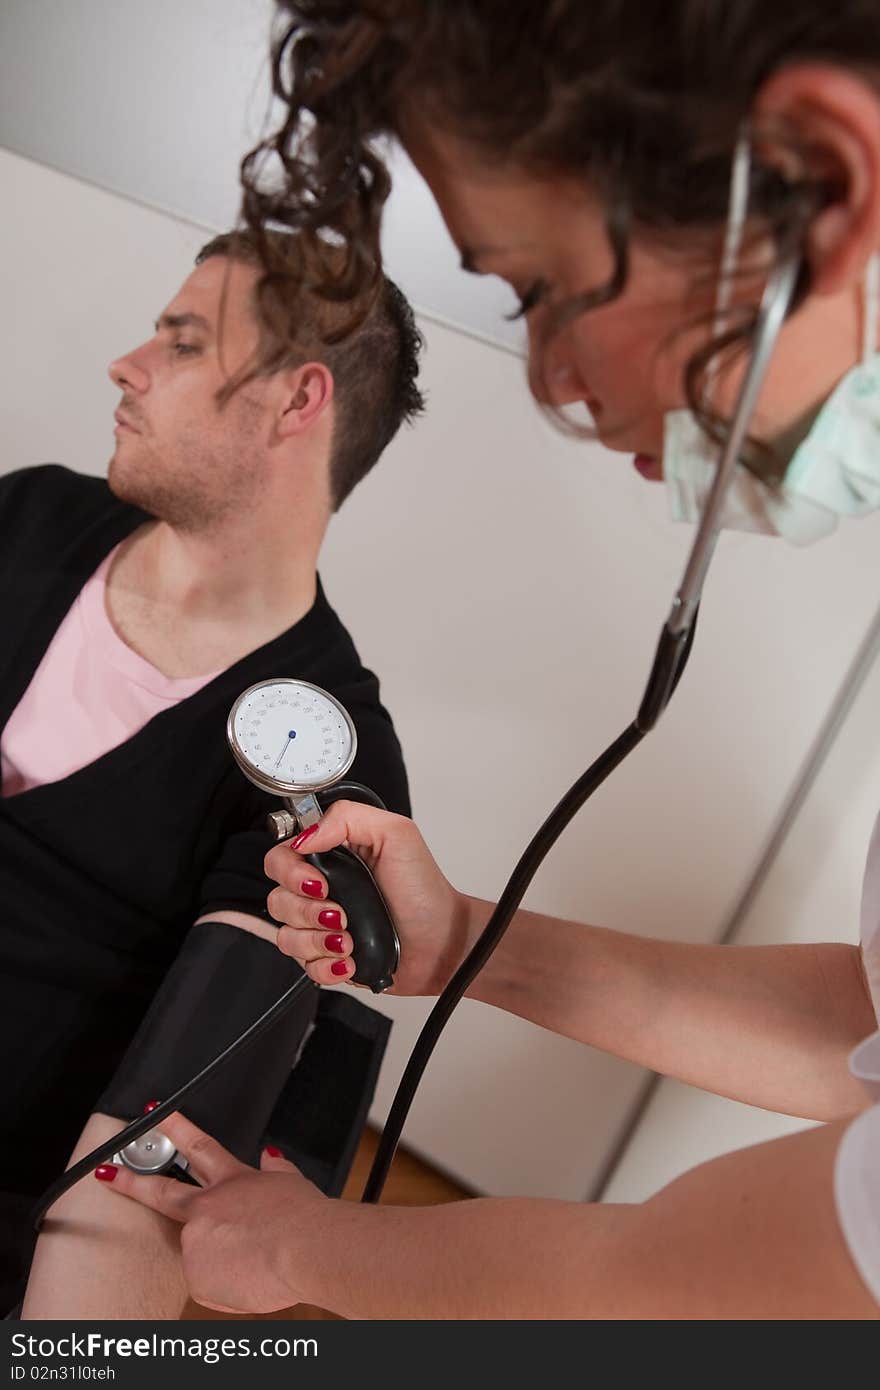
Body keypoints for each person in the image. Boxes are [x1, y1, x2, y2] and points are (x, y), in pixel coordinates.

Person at [99, 0, 880, 1318]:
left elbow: (744, 1282)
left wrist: (297, 1249)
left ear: (819, 178)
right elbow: (866, 1039)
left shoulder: (337, 699)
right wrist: (470, 945)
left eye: (537, 287)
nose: (554, 385)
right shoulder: (41, 524)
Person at [3, 226, 424, 1318]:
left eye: (182, 343)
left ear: (296, 403)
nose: (127, 364)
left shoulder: (332, 770)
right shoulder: (28, 517)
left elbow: (150, 1161)